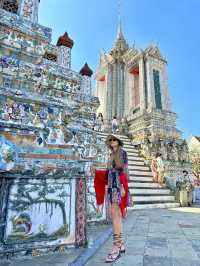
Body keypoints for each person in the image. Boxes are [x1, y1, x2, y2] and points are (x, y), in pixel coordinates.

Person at [92, 134, 129, 263]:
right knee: (115, 215)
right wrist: (97, 172)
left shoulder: (122, 153)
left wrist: (123, 187)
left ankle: (116, 246)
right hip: (111, 186)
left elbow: (123, 171)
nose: (112, 141)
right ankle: (120, 244)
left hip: (118, 186)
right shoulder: (110, 156)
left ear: (118, 141)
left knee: (115, 215)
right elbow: (109, 172)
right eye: (110, 140)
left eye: (114, 139)